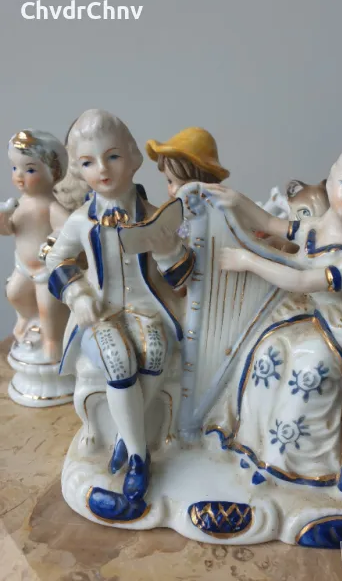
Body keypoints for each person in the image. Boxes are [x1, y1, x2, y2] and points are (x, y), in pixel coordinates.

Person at [205, 124, 342, 493]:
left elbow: (299, 280)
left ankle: (291, 465)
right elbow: (270, 223)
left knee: (311, 368)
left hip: (341, 325)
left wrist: (248, 261)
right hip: (304, 313)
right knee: (267, 350)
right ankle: (251, 444)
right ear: (332, 175)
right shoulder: (313, 228)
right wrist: (237, 200)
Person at [46, 109, 195, 521]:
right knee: (118, 359)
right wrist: (76, 293)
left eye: (112, 157)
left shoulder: (156, 214)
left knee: (156, 353)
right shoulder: (81, 221)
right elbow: (56, 260)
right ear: (78, 170)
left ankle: (125, 443)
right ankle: (140, 457)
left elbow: (182, 275)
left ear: (133, 159)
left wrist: (167, 248)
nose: (102, 169)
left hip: (148, 309)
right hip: (101, 312)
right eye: (88, 162)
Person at [0, 129, 72, 361]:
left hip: (45, 270)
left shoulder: (51, 206)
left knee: (47, 306)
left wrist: (52, 242)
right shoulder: (20, 203)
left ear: (53, 173)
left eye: (30, 170)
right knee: (14, 293)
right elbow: (10, 229)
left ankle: (53, 341)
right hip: (23, 266)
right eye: (15, 168)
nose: (19, 176)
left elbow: (68, 229)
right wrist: (3, 218)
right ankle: (27, 319)